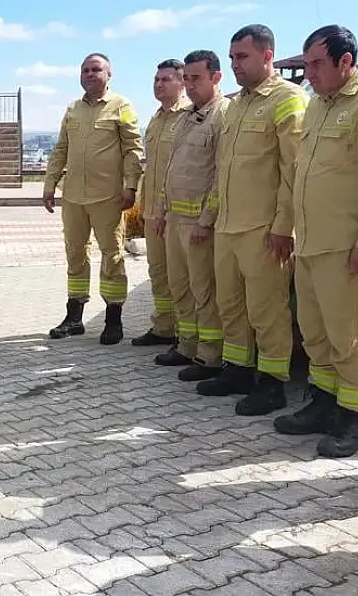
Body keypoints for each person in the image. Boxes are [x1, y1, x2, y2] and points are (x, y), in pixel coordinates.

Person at [273, 25, 358, 459]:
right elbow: (301, 178)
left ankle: (355, 418)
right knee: (316, 335)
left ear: (345, 62)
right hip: (311, 245)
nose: (309, 74)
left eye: (316, 65)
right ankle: (323, 404)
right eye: (305, 65)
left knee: (351, 338)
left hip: (349, 249)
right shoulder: (317, 107)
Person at [195, 24, 308, 417]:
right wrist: (211, 217)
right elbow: (222, 170)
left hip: (263, 229)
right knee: (231, 305)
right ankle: (239, 370)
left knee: (267, 309)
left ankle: (273, 382)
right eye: (231, 58)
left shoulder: (288, 100)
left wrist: (284, 226)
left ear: (267, 55)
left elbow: (293, 171)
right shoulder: (236, 105)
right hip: (229, 225)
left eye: (242, 57)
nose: (235, 65)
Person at [44, 53, 144, 345]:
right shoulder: (72, 109)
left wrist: (131, 186)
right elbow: (61, 148)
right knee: (74, 253)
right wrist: (50, 183)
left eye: (95, 69)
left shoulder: (121, 106)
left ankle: (113, 319)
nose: (89, 74)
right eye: (85, 70)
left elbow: (132, 149)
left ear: (108, 74)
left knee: (111, 255)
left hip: (108, 197)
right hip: (73, 196)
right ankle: (74, 317)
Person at [151, 49, 229, 383]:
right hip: (176, 221)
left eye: (195, 79)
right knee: (179, 287)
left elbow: (218, 175)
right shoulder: (186, 117)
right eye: (187, 79)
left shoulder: (222, 115)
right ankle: (187, 345)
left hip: (199, 225)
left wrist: (206, 220)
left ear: (215, 77)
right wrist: (164, 211)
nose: (190, 85)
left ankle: (210, 355)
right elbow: (173, 168)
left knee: (203, 291)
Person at [131, 59, 189, 348]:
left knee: (182, 277)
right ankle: (163, 327)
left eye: (166, 79)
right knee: (158, 273)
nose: (159, 84)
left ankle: (185, 334)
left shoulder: (188, 117)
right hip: (153, 211)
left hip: (177, 213)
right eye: (156, 79)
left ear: (182, 82)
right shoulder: (155, 119)